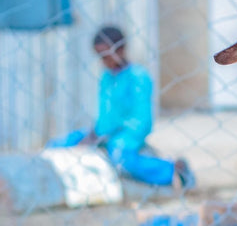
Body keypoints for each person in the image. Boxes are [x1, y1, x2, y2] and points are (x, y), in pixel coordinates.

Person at [51, 26, 194, 189]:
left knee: (121, 158)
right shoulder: (106, 77)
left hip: (126, 135)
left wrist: (111, 136)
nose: (104, 61)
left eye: (107, 55)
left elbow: (142, 120)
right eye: (100, 57)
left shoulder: (138, 76)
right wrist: (94, 134)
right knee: (60, 144)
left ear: (121, 50)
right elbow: (104, 114)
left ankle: (172, 170)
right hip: (102, 133)